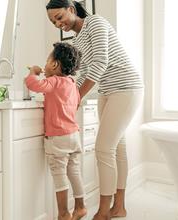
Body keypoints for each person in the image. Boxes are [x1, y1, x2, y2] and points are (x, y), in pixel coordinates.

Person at [46, 1, 144, 220]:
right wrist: (65, 89)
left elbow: (101, 61)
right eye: (53, 21)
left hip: (127, 87)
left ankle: (103, 210)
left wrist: (77, 95)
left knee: (103, 149)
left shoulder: (95, 22)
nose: (57, 23)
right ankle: (119, 206)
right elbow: (83, 72)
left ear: (71, 9)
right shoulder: (77, 39)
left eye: (59, 17)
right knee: (117, 148)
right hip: (107, 91)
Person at [25, 42, 87, 220]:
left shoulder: (53, 81)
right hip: (74, 135)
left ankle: (63, 213)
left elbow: (33, 85)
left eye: (47, 61)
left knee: (59, 173)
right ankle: (81, 206)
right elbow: (74, 104)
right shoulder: (72, 84)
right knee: (74, 171)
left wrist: (33, 73)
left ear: (54, 65)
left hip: (58, 137)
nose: (44, 65)